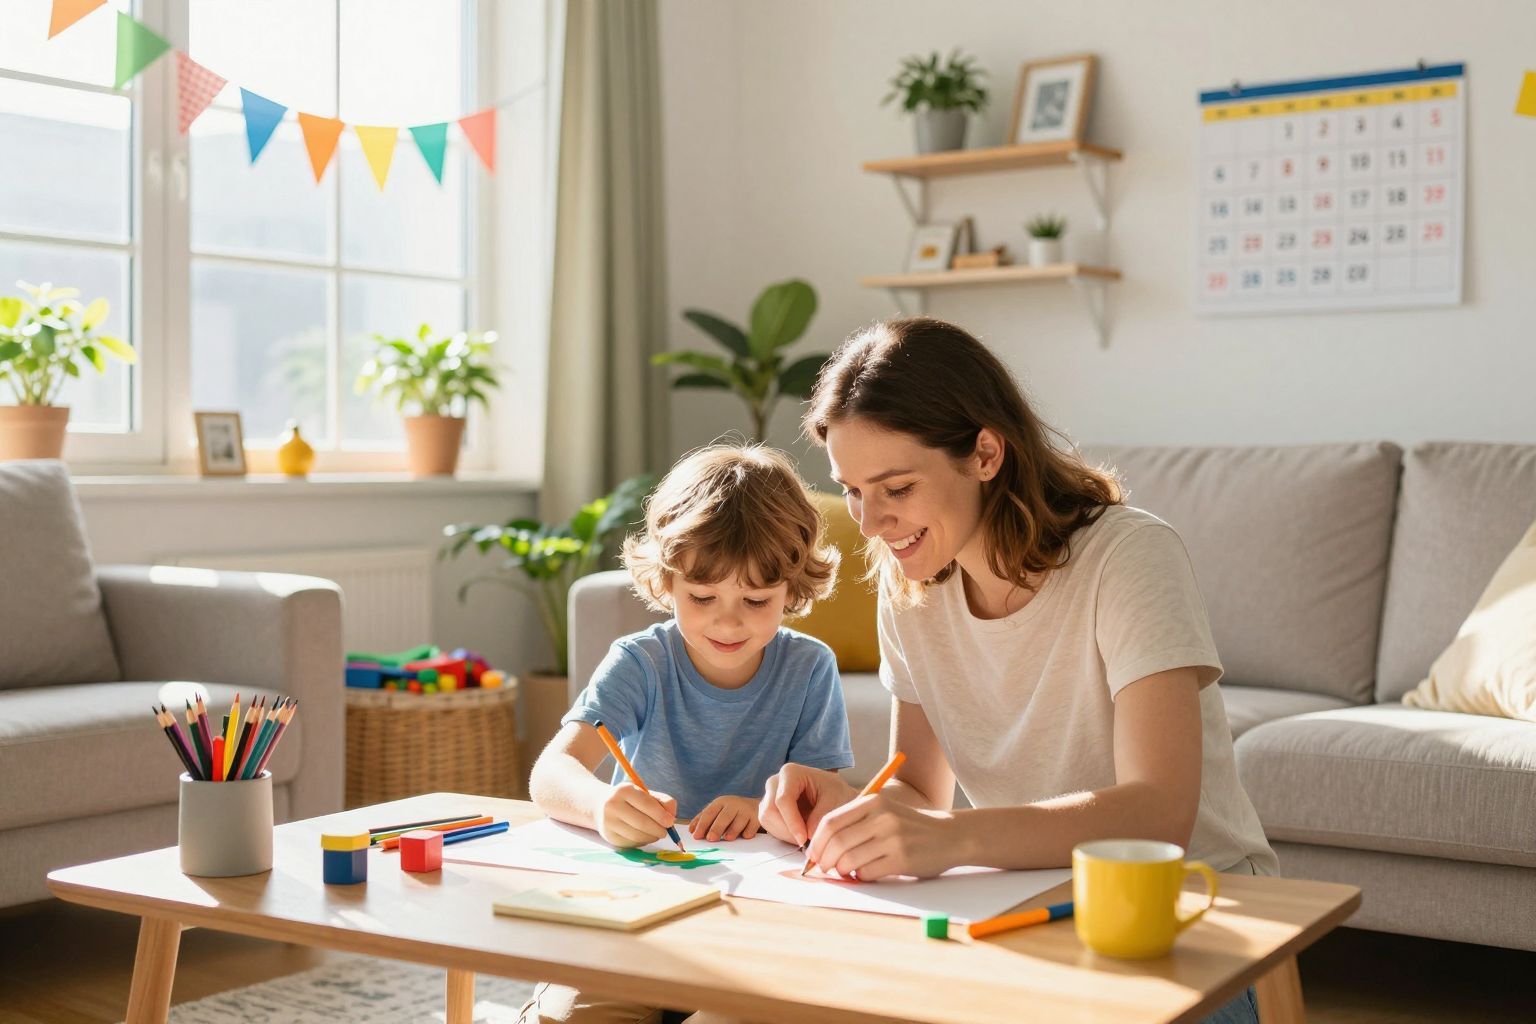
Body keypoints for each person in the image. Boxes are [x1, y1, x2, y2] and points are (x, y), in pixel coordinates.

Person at [759, 316, 1275, 1024]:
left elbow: (1159, 813)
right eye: (852, 491)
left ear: (985, 454)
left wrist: (954, 839)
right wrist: (846, 805)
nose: (871, 523)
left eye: (896, 488)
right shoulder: (910, 584)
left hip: (1193, 911)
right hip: (1024, 902)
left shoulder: (1128, 558)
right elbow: (919, 786)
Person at [521, 443, 853, 1024]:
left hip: (759, 920)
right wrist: (601, 804)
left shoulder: (809, 668)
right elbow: (550, 772)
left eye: (756, 600)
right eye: (702, 598)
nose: (728, 621)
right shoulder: (641, 661)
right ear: (667, 582)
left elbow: (819, 804)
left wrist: (761, 808)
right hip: (642, 913)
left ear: (792, 589)